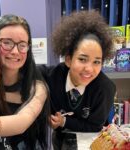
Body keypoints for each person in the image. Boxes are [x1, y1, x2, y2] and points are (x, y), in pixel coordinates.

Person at [38, 10, 116, 149]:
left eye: (96, 62)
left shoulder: (105, 88)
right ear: (68, 59)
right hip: (60, 141)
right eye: (82, 59)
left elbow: (95, 125)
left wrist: (64, 122)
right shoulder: (51, 77)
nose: (89, 69)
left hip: (91, 142)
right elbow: (25, 72)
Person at [0, 15, 50, 150]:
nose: (15, 51)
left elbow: (21, 123)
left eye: (22, 45)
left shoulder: (37, 88)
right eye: (7, 43)